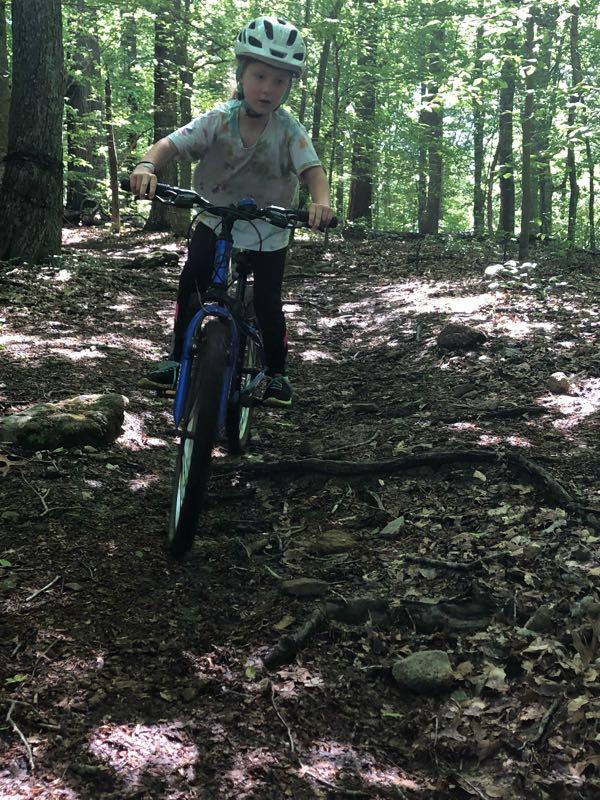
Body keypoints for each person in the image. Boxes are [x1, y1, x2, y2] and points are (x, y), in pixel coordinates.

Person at [130, 15, 333, 407]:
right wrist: (146, 166)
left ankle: (276, 372)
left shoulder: (289, 130)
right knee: (192, 283)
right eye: (260, 76)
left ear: (289, 86)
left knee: (268, 302)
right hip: (214, 215)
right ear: (242, 75)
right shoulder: (218, 119)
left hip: (269, 225)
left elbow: (313, 170)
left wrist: (320, 202)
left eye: (279, 81)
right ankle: (175, 359)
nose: (268, 88)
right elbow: (170, 144)